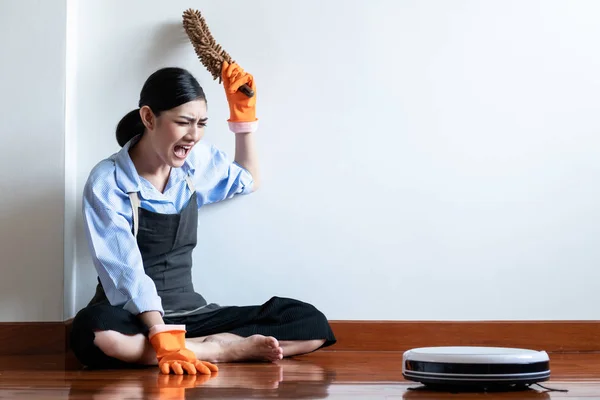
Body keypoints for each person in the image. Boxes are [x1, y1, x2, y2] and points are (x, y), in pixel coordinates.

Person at [70, 62, 336, 375]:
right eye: (184, 122)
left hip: (192, 313)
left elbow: (246, 179)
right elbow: (127, 272)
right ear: (148, 117)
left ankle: (202, 347)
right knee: (94, 332)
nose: (194, 135)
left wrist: (244, 119)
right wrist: (161, 333)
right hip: (131, 314)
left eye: (201, 123)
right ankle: (217, 349)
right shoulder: (108, 181)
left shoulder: (194, 164)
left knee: (310, 322)